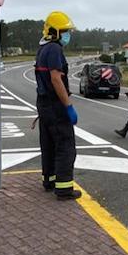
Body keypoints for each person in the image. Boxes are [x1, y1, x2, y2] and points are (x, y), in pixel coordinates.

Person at [35, 11, 81, 200]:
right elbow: (56, 78)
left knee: (49, 144)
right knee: (65, 145)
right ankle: (63, 188)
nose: (68, 35)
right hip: (55, 105)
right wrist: (68, 106)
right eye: (65, 31)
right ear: (55, 32)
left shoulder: (42, 49)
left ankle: (50, 180)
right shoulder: (54, 49)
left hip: (44, 104)